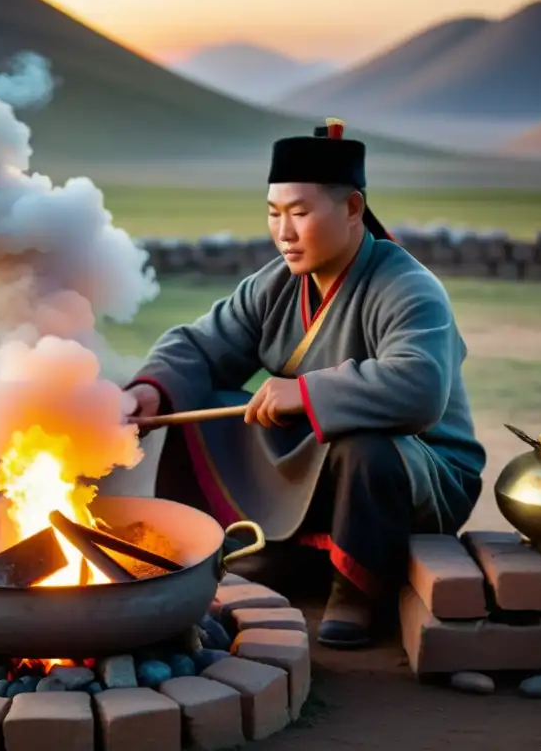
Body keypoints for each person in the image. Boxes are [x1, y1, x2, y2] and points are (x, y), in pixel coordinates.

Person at [124, 119, 486, 650]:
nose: (285, 233)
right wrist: (150, 392)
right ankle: (276, 551)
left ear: (353, 209)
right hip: (321, 460)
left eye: (300, 213)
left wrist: (308, 391)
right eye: (274, 214)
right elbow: (202, 346)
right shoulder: (275, 284)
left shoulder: (408, 286)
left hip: (423, 470)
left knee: (365, 443)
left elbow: (421, 387)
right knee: (210, 409)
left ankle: (358, 586)